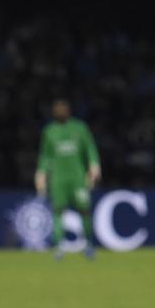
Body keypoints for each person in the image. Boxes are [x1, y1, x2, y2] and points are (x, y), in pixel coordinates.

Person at [34, 98, 101, 259]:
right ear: (54, 112)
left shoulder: (80, 128)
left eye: (63, 109)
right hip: (58, 179)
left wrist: (94, 165)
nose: (60, 112)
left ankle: (89, 244)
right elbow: (45, 156)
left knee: (84, 210)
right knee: (58, 212)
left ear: (69, 111)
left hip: (77, 178)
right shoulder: (49, 131)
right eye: (57, 109)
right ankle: (58, 247)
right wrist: (41, 174)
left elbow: (90, 148)